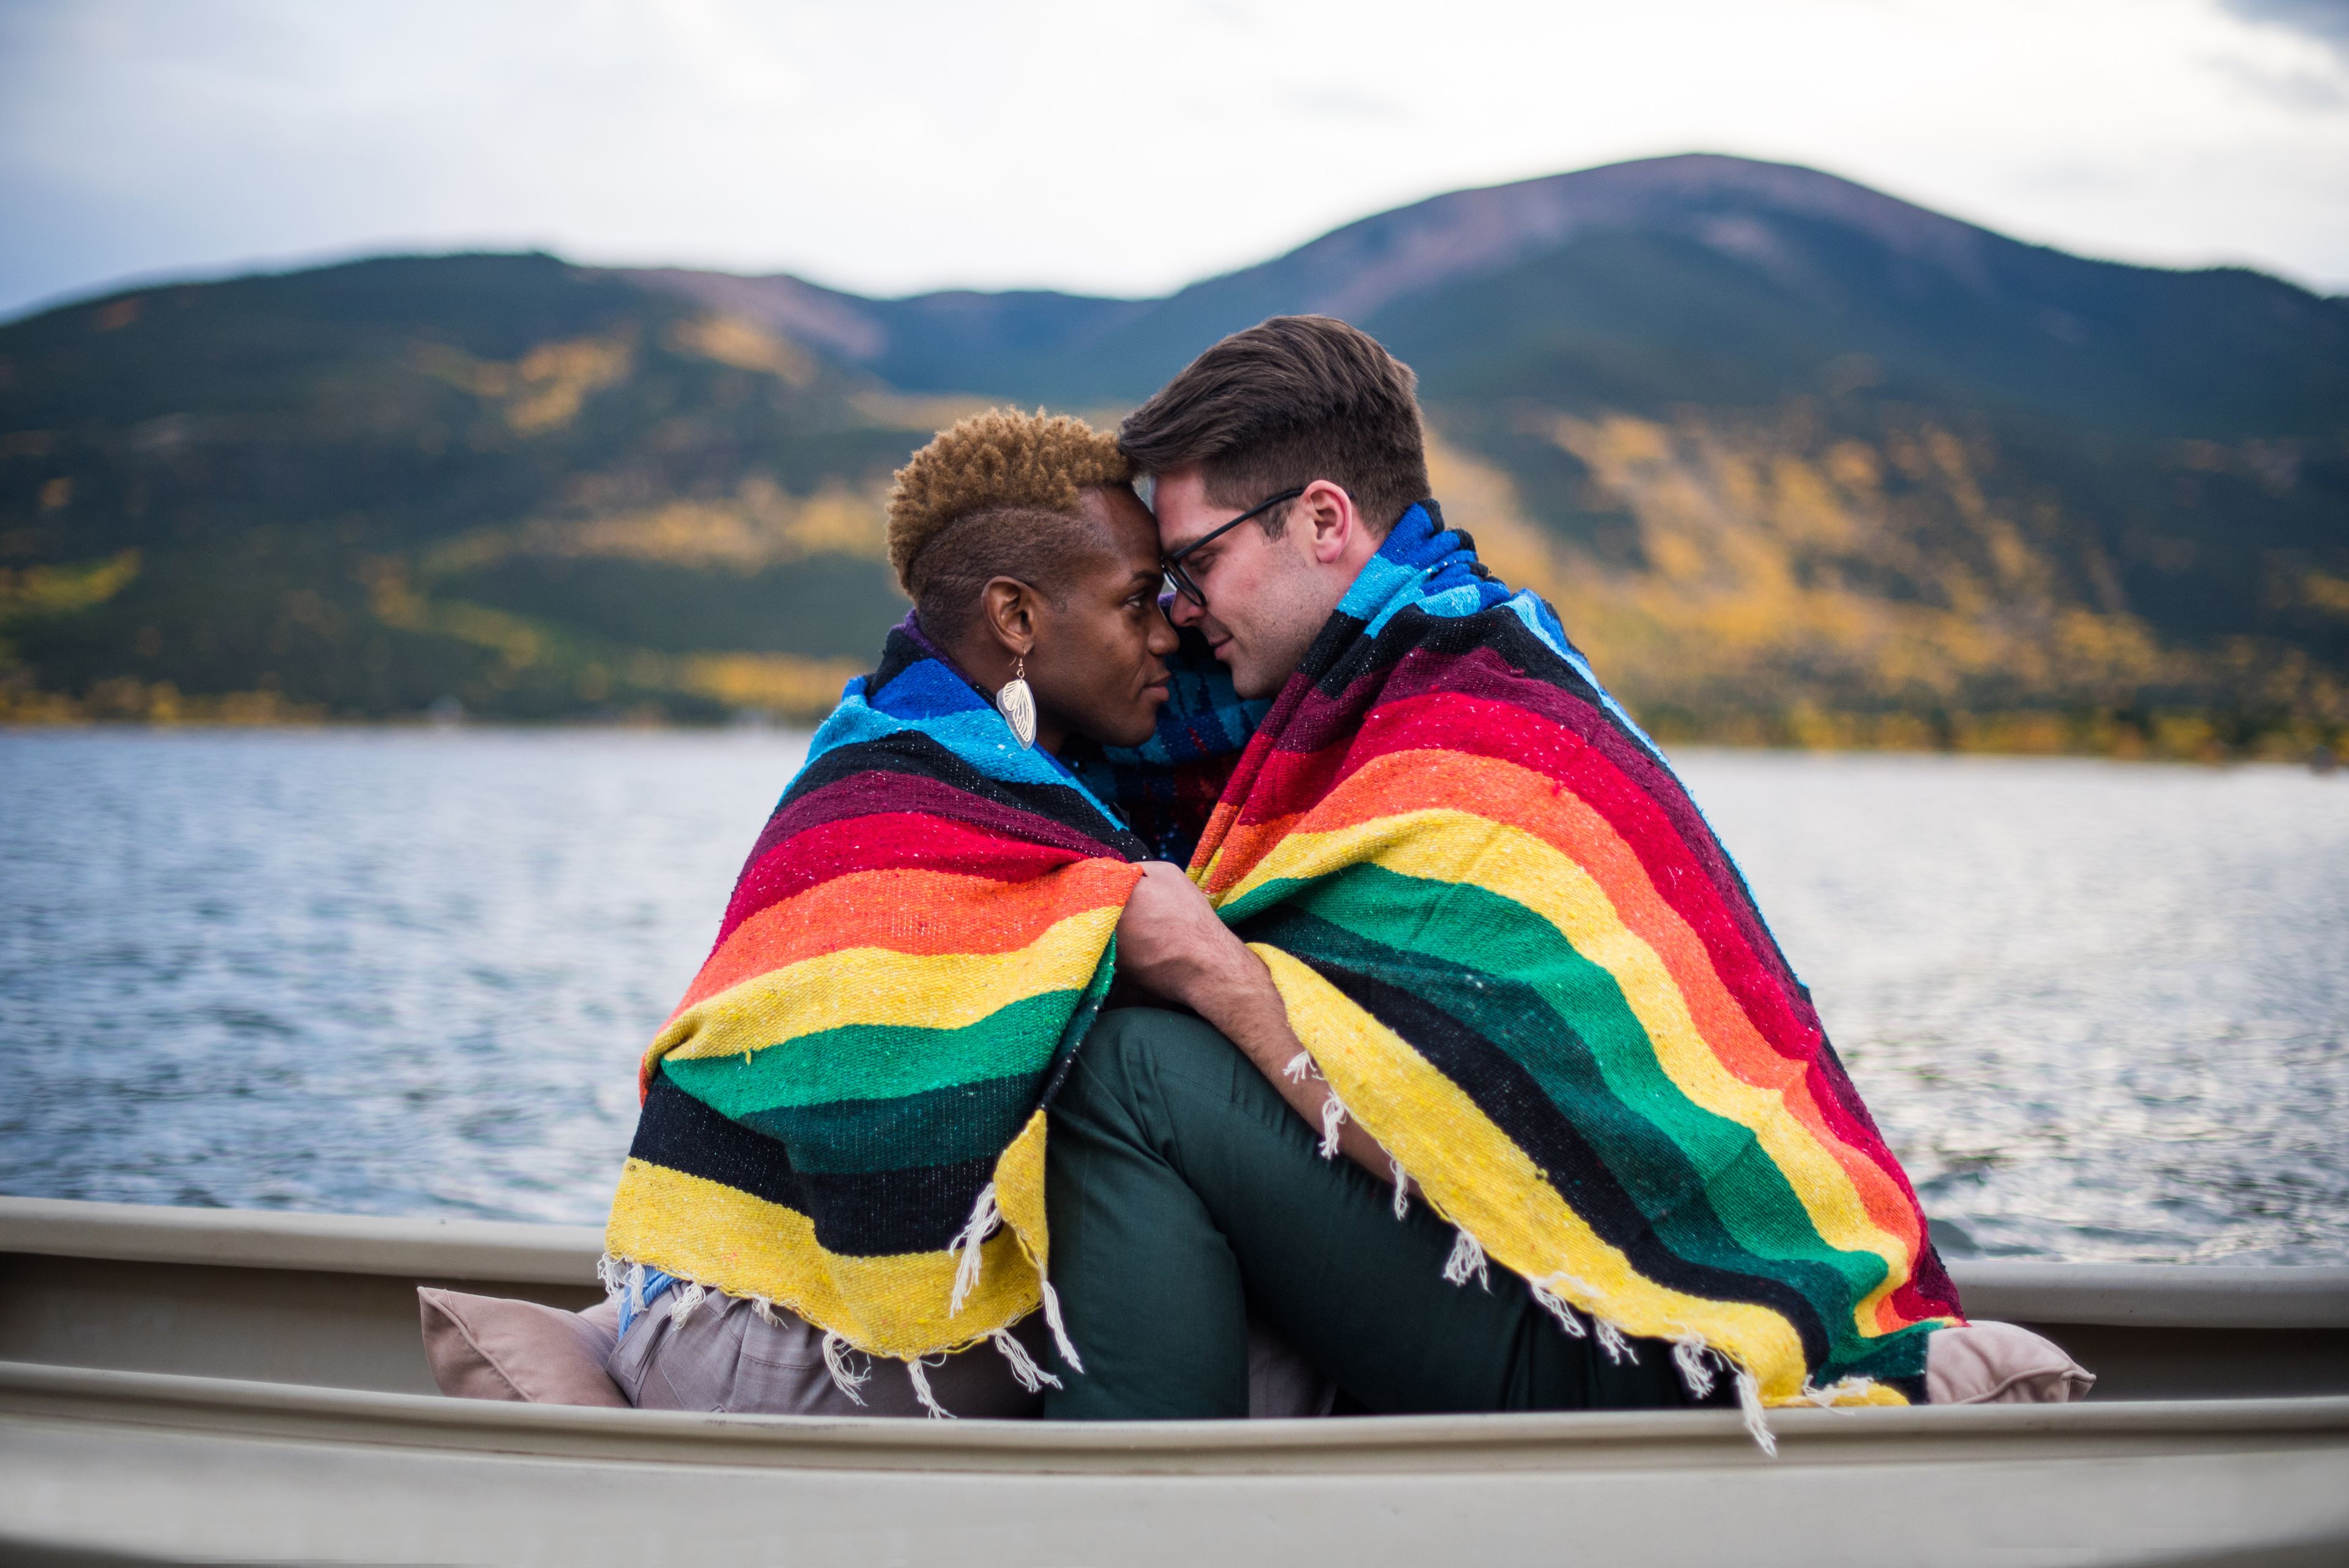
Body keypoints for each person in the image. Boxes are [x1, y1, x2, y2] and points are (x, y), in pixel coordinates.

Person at [1034, 317, 1975, 1433]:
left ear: (1324, 520)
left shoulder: (1444, 731)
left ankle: (1139, 1505)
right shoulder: (1464, 668)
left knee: (1131, 1073)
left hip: (1634, 1331)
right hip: (1628, 1290)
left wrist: (1209, 970)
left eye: (1197, 565)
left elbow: (1428, 1122)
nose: (1181, 613)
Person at [598, 409, 1229, 1418]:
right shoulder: (901, 801)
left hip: (719, 1297)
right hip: (739, 1335)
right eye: (1135, 601)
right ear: (1016, 617)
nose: (1168, 635)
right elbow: (879, 1115)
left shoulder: (925, 764)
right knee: (1240, 1315)